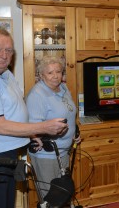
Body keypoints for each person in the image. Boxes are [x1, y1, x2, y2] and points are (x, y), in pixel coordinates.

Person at [0, 29, 68, 208]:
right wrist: (42, 128)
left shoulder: (3, 73)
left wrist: (30, 135)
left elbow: (12, 111)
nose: (4, 55)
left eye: (9, 50)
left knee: (6, 202)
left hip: (5, 151)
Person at [26, 55, 80, 198]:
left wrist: (74, 131)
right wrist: (35, 137)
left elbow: (68, 113)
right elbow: (33, 126)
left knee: (61, 193)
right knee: (50, 197)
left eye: (58, 71)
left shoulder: (63, 88)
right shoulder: (37, 95)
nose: (55, 76)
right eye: (50, 73)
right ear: (41, 75)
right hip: (46, 154)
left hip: (63, 151)